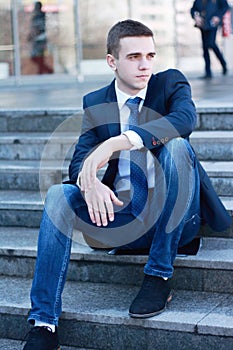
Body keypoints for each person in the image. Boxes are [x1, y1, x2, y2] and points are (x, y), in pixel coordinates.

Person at [22, 19, 232, 350]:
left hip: (175, 215)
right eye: (134, 57)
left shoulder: (170, 84)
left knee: (178, 146)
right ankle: (44, 322)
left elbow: (185, 120)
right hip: (122, 216)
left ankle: (158, 275)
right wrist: (90, 182)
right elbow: (79, 161)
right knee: (58, 194)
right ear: (112, 61)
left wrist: (121, 141)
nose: (145, 64)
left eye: (150, 55)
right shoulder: (96, 102)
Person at [191, 0, 230, 79]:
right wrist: (196, 16)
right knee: (205, 47)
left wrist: (218, 17)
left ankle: (223, 63)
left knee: (211, 43)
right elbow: (193, 9)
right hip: (203, 25)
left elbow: (225, 7)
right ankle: (208, 72)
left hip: (212, 24)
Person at [28, 1, 53, 74]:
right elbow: (33, 28)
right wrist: (30, 36)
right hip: (36, 40)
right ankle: (43, 70)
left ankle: (46, 70)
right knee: (34, 57)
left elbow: (39, 28)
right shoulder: (35, 16)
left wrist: (35, 34)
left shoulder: (41, 16)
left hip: (41, 39)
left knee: (39, 56)